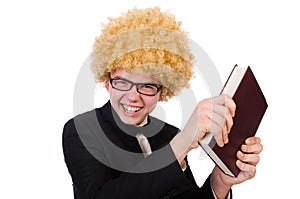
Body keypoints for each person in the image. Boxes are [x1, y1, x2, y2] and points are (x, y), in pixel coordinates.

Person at [63, 7, 263, 199]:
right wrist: (181, 144)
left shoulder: (168, 135)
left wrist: (219, 181)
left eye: (148, 86)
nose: (133, 96)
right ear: (108, 83)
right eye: (122, 82)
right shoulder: (83, 130)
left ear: (162, 91)